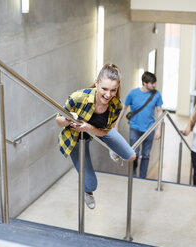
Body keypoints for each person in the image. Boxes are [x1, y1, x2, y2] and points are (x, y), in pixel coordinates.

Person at [56, 64, 136, 210]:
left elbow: (105, 131)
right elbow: (58, 121)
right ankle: (88, 192)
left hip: (99, 129)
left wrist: (89, 128)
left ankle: (113, 149)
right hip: (76, 136)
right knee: (92, 184)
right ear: (96, 83)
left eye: (113, 90)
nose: (108, 94)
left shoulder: (116, 106)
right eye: (104, 89)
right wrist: (68, 118)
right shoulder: (78, 97)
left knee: (131, 156)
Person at [115, 71, 163, 178]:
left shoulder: (156, 94)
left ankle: (142, 178)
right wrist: (116, 124)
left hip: (149, 129)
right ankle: (133, 172)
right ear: (144, 83)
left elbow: (160, 111)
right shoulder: (133, 93)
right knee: (134, 154)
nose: (154, 85)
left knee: (145, 155)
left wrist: (159, 129)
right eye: (152, 83)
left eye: (154, 83)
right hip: (135, 128)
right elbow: (124, 108)